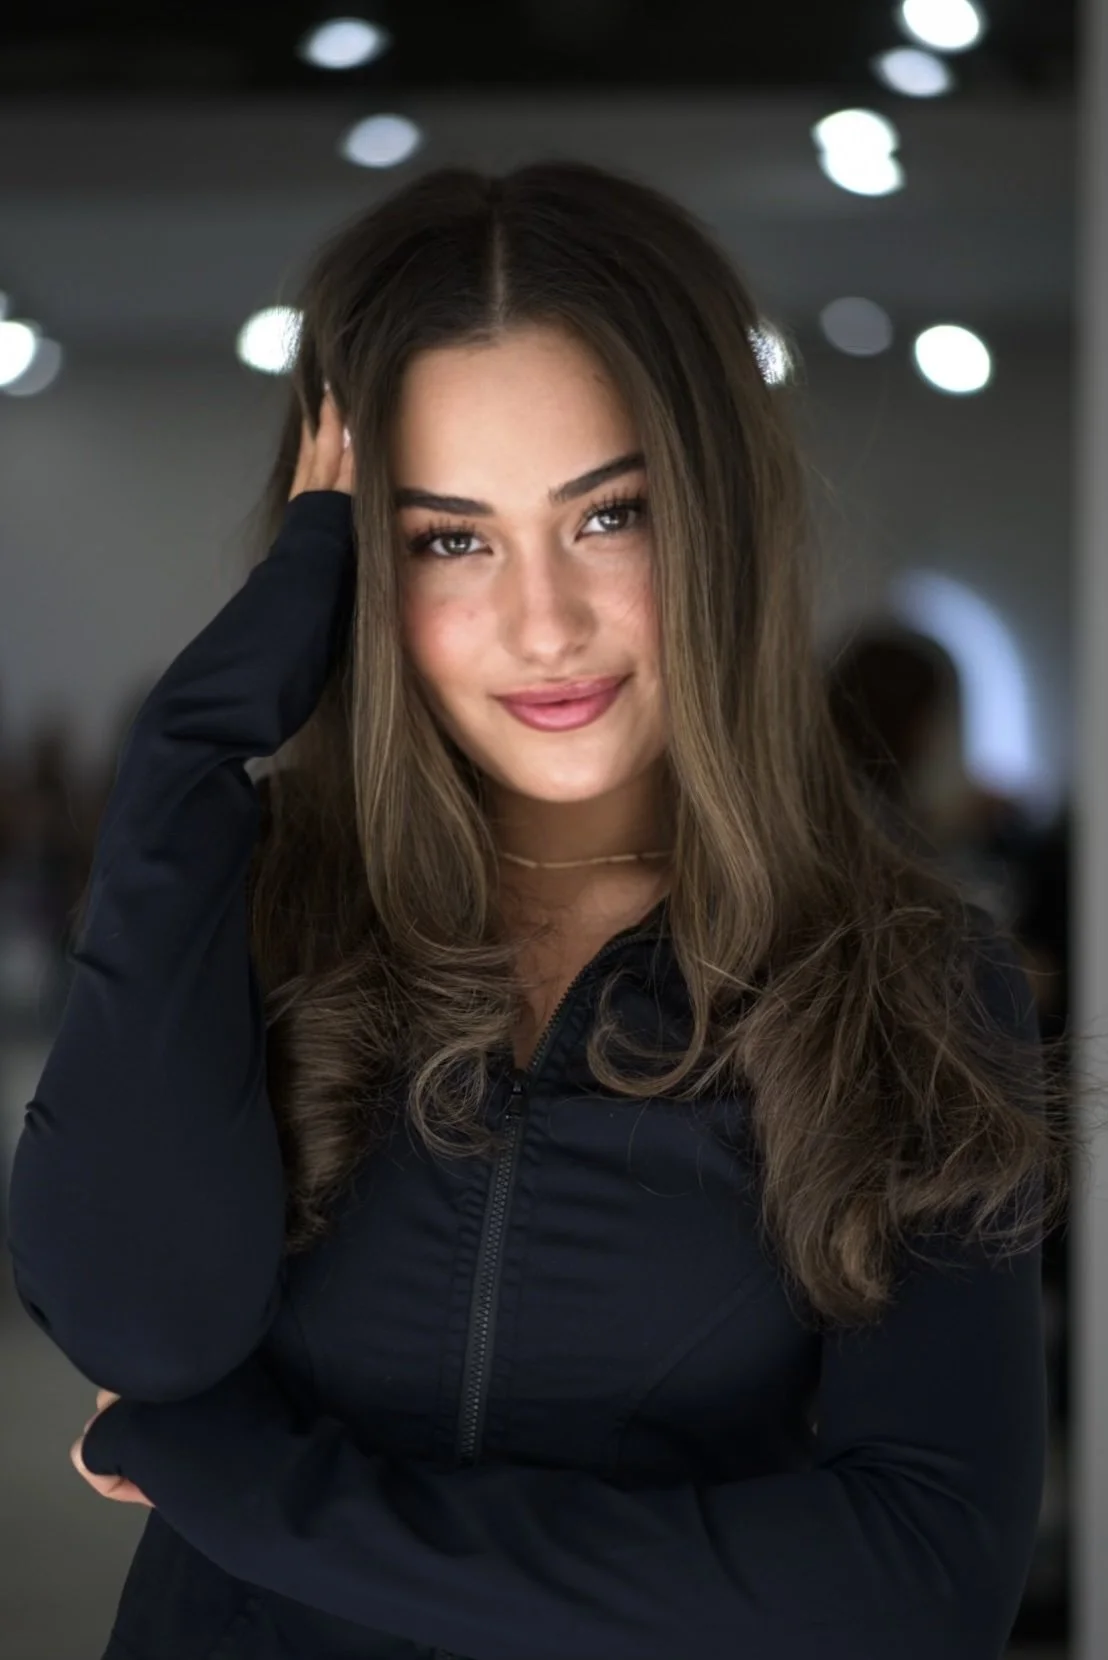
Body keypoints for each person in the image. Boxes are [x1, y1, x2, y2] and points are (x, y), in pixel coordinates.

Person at [5, 160, 1089, 1660]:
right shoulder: (257, 909)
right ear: (353, 565)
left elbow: (919, 1581)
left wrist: (258, 1494)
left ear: (716, 516)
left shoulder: (900, 977)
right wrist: (184, 754)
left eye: (609, 516)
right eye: (449, 537)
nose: (543, 626)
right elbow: (138, 1324)